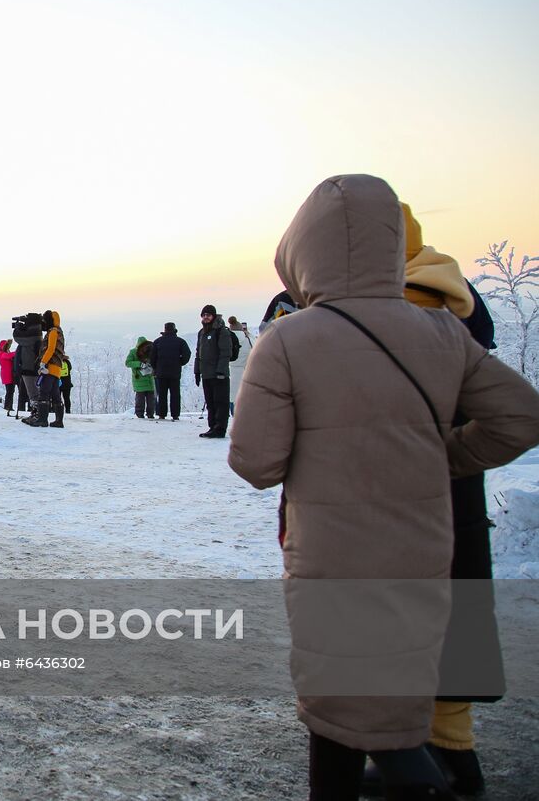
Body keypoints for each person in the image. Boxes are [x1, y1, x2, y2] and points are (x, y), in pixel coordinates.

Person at [228, 174, 539, 801]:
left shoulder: (289, 338)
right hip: (425, 544)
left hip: (333, 553)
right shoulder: (445, 326)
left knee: (339, 696)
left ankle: (415, 781)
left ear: (303, 249)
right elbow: (522, 416)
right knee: (400, 683)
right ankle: (429, 766)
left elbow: (256, 463)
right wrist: (444, 458)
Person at [355, 203, 502, 797]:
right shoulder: (457, 294)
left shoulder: (391, 305)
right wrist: (457, 456)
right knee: (457, 612)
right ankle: (457, 752)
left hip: (395, 489)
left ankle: (415, 764)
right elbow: (508, 410)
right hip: (454, 490)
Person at [23, 310, 67, 428]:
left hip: (49, 367)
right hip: (56, 369)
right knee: (55, 394)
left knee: (44, 392)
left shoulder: (53, 332)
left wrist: (43, 362)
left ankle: (42, 420)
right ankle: (59, 421)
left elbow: (50, 349)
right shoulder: (60, 332)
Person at [194, 305, 232, 438]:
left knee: (220, 402)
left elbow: (225, 352)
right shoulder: (202, 333)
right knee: (210, 402)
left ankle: (220, 428)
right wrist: (197, 371)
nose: (206, 317)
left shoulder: (221, 331)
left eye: (208, 315)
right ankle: (212, 427)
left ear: (214, 316)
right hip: (206, 373)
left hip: (219, 374)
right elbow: (198, 353)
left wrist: (221, 371)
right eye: (204, 315)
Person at [148, 323, 191, 421]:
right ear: (175, 330)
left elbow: (152, 358)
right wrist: (180, 362)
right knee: (175, 394)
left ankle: (162, 414)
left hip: (161, 372)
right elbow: (187, 354)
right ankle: (175, 414)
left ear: (165, 330)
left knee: (162, 394)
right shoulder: (180, 341)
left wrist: (156, 368)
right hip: (175, 372)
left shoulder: (158, 342)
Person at [11, 313, 43, 421]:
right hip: (32, 367)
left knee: (33, 393)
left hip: (30, 368)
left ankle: (37, 415)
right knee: (34, 392)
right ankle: (37, 414)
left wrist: (17, 327)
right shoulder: (36, 332)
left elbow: (17, 336)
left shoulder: (32, 335)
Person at [226, 316, 253, 417]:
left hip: (230, 370)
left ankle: (233, 414)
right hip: (244, 370)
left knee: (232, 394)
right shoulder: (247, 339)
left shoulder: (227, 338)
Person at [125, 337, 156, 418]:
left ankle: (140, 414)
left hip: (138, 380)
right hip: (149, 379)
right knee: (150, 399)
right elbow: (127, 363)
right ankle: (150, 414)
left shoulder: (133, 352)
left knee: (140, 399)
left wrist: (138, 364)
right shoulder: (150, 351)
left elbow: (128, 363)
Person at [0, 338, 20, 414]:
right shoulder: (2, 354)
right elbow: (9, 356)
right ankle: (8, 406)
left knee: (11, 391)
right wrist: (18, 351)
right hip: (7, 375)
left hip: (8, 374)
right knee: (9, 391)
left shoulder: (4, 352)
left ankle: (9, 406)